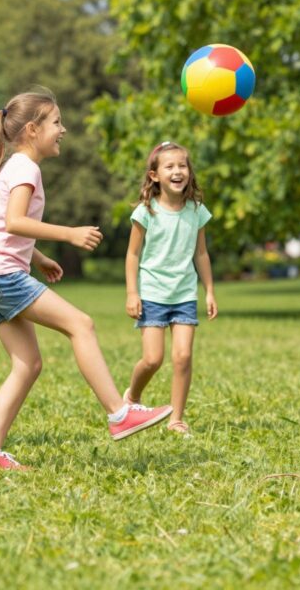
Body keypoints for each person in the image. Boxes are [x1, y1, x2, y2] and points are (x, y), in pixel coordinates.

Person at [0, 91, 171, 471]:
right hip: (1, 275)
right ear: (32, 129)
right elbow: (14, 222)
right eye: (56, 122)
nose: (64, 129)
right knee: (81, 324)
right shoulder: (26, 168)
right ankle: (118, 413)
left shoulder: (13, 165)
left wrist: (39, 257)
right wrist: (69, 234)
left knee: (27, 364)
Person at [123, 141, 217, 436]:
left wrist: (210, 291)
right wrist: (132, 293)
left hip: (184, 293)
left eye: (182, 165)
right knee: (153, 359)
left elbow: (200, 254)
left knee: (183, 356)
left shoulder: (196, 210)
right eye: (170, 166)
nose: (178, 171)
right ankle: (133, 398)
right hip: (152, 293)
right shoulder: (145, 212)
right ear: (154, 175)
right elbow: (132, 255)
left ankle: (176, 418)